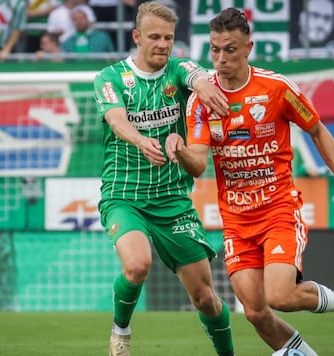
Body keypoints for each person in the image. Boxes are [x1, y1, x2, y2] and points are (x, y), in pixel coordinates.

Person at [166, 8, 334, 356]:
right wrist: (177, 149)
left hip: (278, 209)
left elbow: (316, 129)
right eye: (215, 49)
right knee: (254, 310)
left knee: (280, 296)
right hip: (236, 221)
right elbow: (197, 164)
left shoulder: (276, 88)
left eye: (230, 49)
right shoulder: (201, 102)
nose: (221, 59)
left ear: (249, 47)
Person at [92, 2, 235, 356]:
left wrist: (202, 85)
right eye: (154, 37)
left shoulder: (177, 70)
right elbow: (116, 119)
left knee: (206, 299)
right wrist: (141, 140)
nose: (162, 44)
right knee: (138, 264)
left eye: (168, 38)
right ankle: (120, 332)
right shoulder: (110, 77)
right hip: (124, 194)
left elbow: (196, 74)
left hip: (172, 199)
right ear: (136, 37)